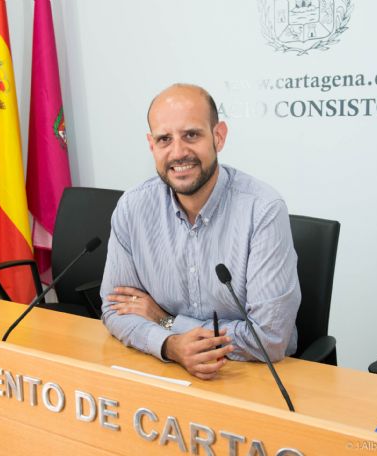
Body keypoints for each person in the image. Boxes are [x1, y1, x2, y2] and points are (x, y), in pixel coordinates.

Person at [100, 83, 300, 380]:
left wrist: (166, 322)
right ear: (151, 146)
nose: (178, 152)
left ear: (218, 137)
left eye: (191, 135)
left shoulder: (262, 209)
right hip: (166, 368)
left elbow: (268, 339)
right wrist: (169, 345)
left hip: (253, 375)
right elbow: (116, 309)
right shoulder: (133, 207)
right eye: (164, 139)